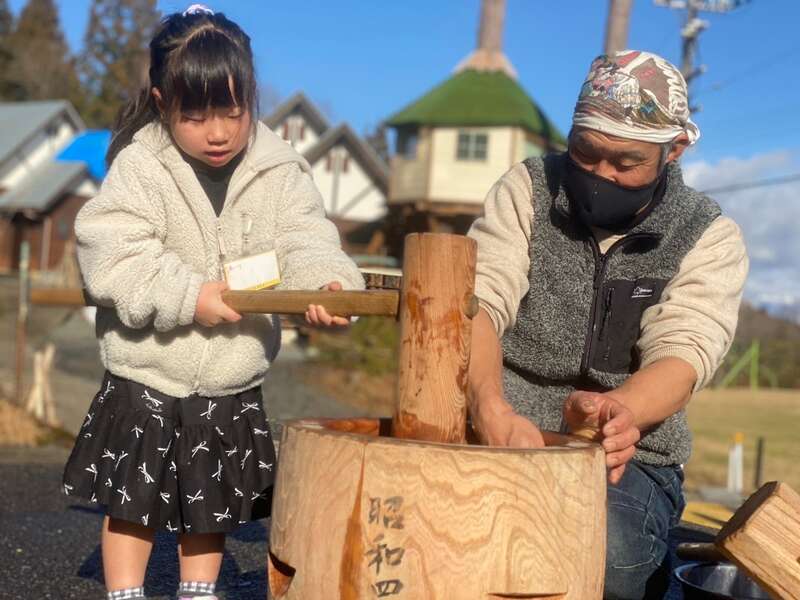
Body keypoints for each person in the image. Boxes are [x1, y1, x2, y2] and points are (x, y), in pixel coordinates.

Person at [62, 6, 363, 600]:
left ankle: (198, 591)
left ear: (251, 96)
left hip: (229, 373)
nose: (218, 132)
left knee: (210, 505)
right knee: (132, 501)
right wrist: (186, 295)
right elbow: (112, 254)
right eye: (195, 116)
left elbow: (306, 238)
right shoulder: (141, 166)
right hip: (147, 368)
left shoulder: (279, 170)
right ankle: (124, 593)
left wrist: (329, 283)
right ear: (161, 101)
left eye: (233, 111)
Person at [466, 50, 748, 599]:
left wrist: (620, 415)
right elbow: (478, 302)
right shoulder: (526, 188)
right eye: (585, 152)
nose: (599, 174)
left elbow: (686, 349)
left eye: (626, 163)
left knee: (608, 558)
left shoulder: (708, 234)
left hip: (629, 450)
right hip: (505, 428)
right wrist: (487, 406)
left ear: (675, 151)